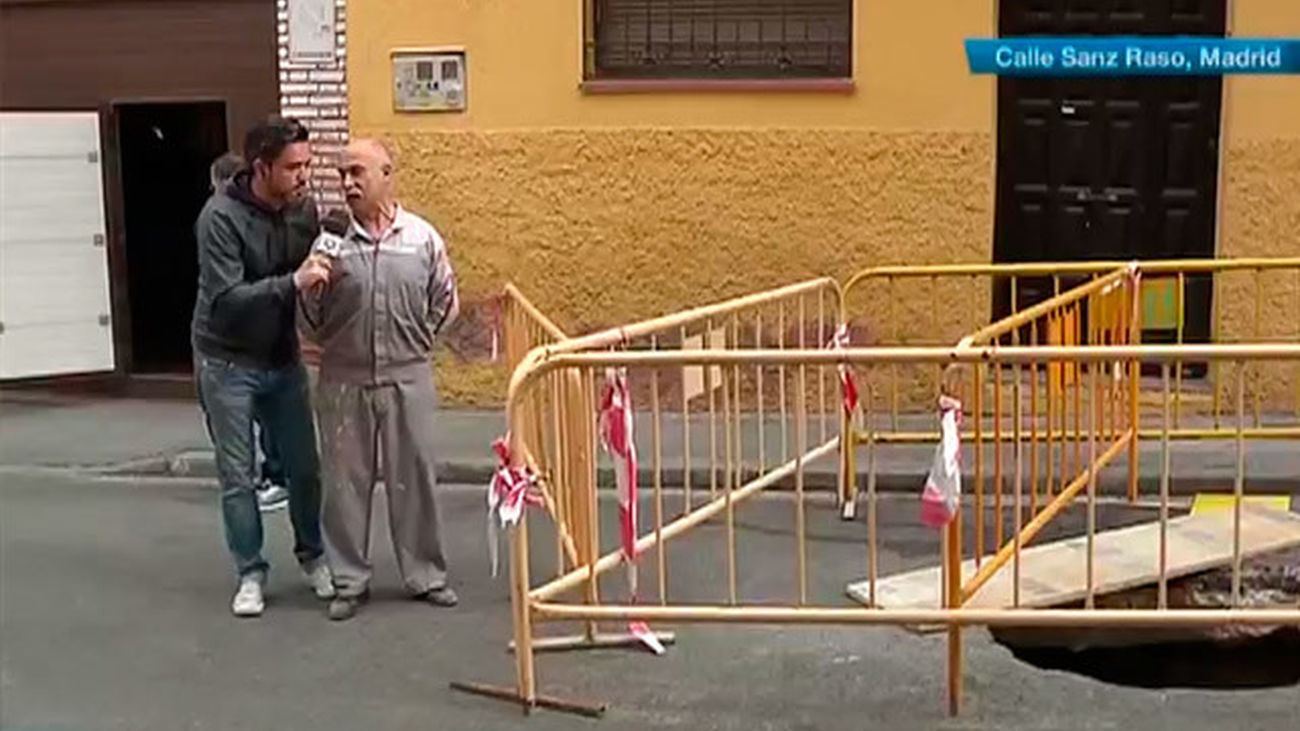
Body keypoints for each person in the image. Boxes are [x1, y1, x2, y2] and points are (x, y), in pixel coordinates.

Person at [299, 139, 460, 621]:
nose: (347, 183)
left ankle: (426, 575)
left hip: (407, 376)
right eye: (342, 174)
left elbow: (445, 300)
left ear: (387, 174)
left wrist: (416, 345)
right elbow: (309, 321)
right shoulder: (330, 245)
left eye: (357, 173)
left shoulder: (422, 238)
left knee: (415, 479)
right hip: (343, 379)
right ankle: (349, 581)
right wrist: (311, 284)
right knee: (344, 484)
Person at [192, 116, 335, 617]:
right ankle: (250, 573)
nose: (305, 177)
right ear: (261, 168)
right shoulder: (219, 219)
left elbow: (316, 266)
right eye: (294, 167)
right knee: (239, 475)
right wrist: (294, 283)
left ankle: (313, 556)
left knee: (305, 468)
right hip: (226, 358)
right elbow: (227, 300)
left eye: (308, 165)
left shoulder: (304, 211)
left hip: (281, 356)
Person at [209, 152, 289, 514]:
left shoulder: (231, 216)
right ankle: (267, 478)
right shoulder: (217, 221)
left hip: (261, 347)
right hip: (230, 349)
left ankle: (274, 477)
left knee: (268, 418)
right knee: (253, 427)